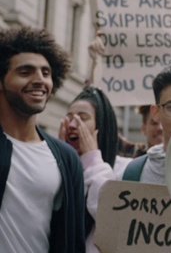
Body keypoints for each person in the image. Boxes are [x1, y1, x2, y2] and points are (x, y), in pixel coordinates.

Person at [0, 26, 85, 252]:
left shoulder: (66, 159)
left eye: (46, 73)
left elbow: (73, 239)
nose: (40, 80)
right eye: (25, 72)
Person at [58, 86, 132, 252]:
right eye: (68, 118)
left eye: (82, 118)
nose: (72, 125)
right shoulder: (56, 167)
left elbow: (111, 220)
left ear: (102, 127)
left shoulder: (125, 169)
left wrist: (92, 160)